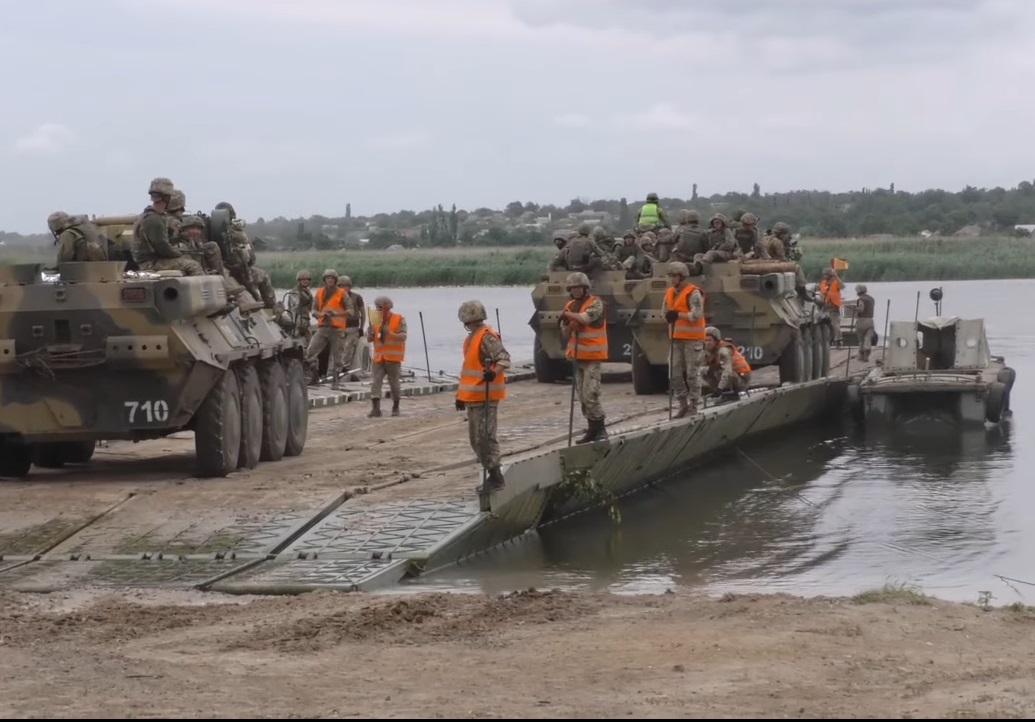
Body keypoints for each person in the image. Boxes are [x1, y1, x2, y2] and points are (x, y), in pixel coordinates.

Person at [455, 300, 510, 494]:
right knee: (476, 439)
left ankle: (495, 476)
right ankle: (492, 473)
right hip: (473, 396)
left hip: (486, 396)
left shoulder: (486, 337)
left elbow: (504, 358)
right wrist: (460, 396)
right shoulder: (471, 338)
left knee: (485, 437)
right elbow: (468, 370)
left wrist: (493, 373)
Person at [560, 272, 608, 443]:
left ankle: (600, 428)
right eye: (573, 288)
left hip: (592, 357)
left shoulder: (596, 303)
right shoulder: (570, 305)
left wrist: (569, 316)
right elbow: (565, 332)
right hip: (577, 357)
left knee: (590, 395)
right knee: (582, 397)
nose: (576, 291)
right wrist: (570, 326)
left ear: (585, 288)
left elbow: (586, 318)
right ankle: (591, 429)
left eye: (579, 287)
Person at [663, 261, 706, 418]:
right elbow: (664, 312)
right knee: (674, 372)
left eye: (674, 276)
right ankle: (682, 404)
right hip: (676, 339)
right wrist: (668, 316)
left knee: (692, 374)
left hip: (692, 340)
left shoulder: (693, 293)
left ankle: (693, 405)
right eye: (670, 276)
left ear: (682, 277)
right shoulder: (669, 292)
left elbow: (696, 315)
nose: (671, 279)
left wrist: (678, 315)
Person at [305, 269, 348, 388]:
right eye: (327, 278)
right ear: (324, 280)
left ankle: (336, 381)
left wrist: (336, 314)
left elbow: (351, 311)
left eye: (332, 278)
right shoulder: (319, 293)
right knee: (310, 352)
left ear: (335, 280)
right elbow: (313, 310)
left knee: (338, 357)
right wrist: (321, 314)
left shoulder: (342, 293)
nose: (329, 280)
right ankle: (315, 376)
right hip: (323, 328)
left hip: (337, 329)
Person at [367, 295, 407, 417]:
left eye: (380, 307)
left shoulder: (399, 319)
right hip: (379, 357)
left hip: (393, 358)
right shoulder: (375, 320)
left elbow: (403, 336)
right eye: (377, 308)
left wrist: (391, 333)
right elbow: (370, 339)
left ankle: (396, 406)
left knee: (394, 383)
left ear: (388, 307)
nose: (378, 310)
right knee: (376, 382)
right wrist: (369, 335)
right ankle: (376, 408)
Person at [702, 326, 752, 397]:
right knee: (703, 371)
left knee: (720, 372)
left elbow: (727, 371)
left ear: (716, 341)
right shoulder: (708, 351)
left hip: (742, 378)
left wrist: (720, 388)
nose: (707, 343)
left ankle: (727, 391)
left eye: (710, 340)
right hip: (731, 376)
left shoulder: (723, 351)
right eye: (705, 340)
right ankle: (714, 390)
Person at [854, 284, 876, 361]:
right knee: (868, 338)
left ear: (859, 291)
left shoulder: (861, 299)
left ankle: (861, 355)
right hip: (870, 320)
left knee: (861, 339)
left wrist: (855, 309)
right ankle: (867, 350)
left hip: (862, 320)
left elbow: (861, 309)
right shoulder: (871, 299)